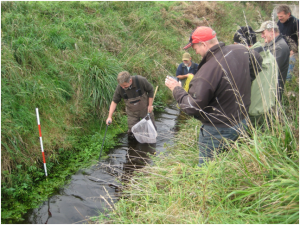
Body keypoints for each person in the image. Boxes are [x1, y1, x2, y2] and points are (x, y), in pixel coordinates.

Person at [165, 26, 253, 166]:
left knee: (207, 170)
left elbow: (192, 107)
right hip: (242, 120)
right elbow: (257, 62)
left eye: (195, 49)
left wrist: (176, 89)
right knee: (229, 161)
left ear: (203, 44)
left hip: (217, 130)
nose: (197, 53)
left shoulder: (207, 71)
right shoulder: (240, 50)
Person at [234, 26, 278, 125]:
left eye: (235, 44)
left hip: (252, 113)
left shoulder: (248, 60)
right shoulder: (269, 55)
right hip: (268, 108)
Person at [106, 71, 156, 139]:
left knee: (151, 129)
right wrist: (109, 116)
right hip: (132, 114)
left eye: (125, 86)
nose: (123, 87)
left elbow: (150, 90)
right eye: (121, 86)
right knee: (132, 134)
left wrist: (150, 105)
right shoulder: (120, 88)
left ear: (130, 80)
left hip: (145, 110)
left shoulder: (140, 80)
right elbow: (114, 102)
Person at [255, 21, 290, 102]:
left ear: (272, 31)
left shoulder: (280, 47)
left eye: (263, 33)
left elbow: (270, 68)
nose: (262, 36)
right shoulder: (272, 44)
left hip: (273, 93)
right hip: (268, 90)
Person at [276, 4, 299, 80]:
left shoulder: (296, 23)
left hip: (292, 53)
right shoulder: (279, 23)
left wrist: (294, 50)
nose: (279, 18)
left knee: (288, 75)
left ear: (288, 14)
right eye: (278, 16)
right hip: (281, 51)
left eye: (281, 16)